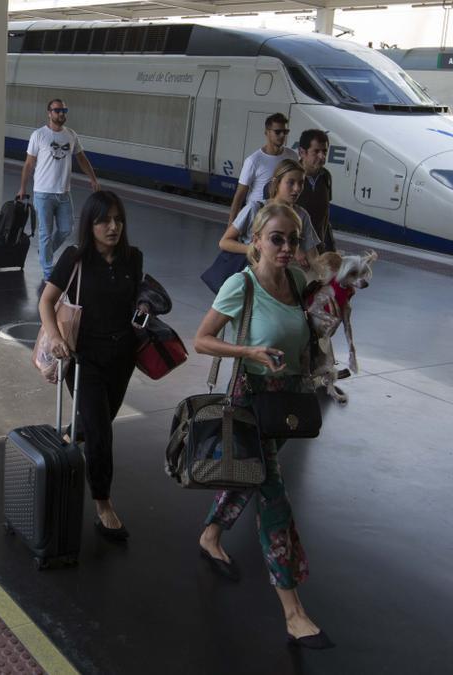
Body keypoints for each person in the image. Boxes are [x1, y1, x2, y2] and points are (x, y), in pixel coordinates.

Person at [192, 202, 333, 650]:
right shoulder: (242, 285)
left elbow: (302, 332)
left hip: (285, 402)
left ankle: (211, 533)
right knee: (274, 498)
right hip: (251, 400)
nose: (287, 247)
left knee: (247, 475)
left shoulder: (295, 281)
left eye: (292, 239)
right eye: (277, 238)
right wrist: (249, 353)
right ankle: (293, 611)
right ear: (256, 241)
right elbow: (202, 339)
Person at [38, 191, 144, 541]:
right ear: (90, 224)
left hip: (123, 357)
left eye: (118, 219)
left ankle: (72, 433)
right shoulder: (75, 258)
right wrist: (55, 337)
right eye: (104, 220)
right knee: (101, 432)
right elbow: (47, 302)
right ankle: (103, 503)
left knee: (100, 419)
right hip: (86, 359)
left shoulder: (133, 258)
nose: (113, 226)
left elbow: (132, 305)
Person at [17, 99, 100, 282]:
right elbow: (29, 163)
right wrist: (22, 187)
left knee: (66, 229)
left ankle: (44, 252)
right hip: (43, 193)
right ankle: (48, 271)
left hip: (64, 193)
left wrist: (92, 178)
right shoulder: (39, 135)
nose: (61, 114)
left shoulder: (71, 135)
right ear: (49, 113)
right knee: (45, 233)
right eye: (57, 111)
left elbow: (82, 158)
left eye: (64, 110)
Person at [220, 159, 318, 267]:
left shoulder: (302, 215)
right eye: (291, 182)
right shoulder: (255, 209)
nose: (297, 189)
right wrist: (256, 248)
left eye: (301, 183)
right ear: (276, 183)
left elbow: (313, 256)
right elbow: (224, 242)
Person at [227, 113, 298, 226]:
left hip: (281, 218)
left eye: (285, 132)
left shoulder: (293, 156)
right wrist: (230, 226)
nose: (282, 135)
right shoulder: (253, 161)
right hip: (257, 220)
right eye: (277, 132)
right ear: (267, 132)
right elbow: (239, 196)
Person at [295, 129, 336, 254]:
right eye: (316, 151)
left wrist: (331, 249)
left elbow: (325, 217)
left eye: (324, 151)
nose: (322, 156)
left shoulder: (325, 176)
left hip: (318, 249)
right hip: (295, 252)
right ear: (302, 152)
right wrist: (297, 250)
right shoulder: (291, 177)